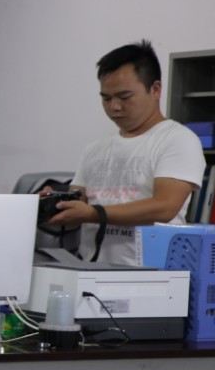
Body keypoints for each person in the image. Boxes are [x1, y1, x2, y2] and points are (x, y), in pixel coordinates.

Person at [41, 40, 204, 264]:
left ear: (155, 89)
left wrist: (93, 213)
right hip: (91, 272)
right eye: (106, 98)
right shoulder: (94, 149)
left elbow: (164, 207)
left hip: (150, 275)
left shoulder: (178, 140)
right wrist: (49, 207)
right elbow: (74, 216)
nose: (114, 107)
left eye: (124, 97)